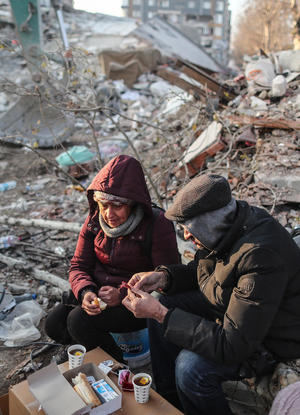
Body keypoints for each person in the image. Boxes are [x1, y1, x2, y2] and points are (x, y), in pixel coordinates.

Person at [122, 174, 300, 415]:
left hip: (272, 340)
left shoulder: (260, 254)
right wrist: (164, 277)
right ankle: (169, 404)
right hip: (236, 311)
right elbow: (206, 271)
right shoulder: (228, 228)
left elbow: (233, 346)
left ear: (210, 222)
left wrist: (162, 314)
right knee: (167, 300)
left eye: (189, 229)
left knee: (190, 368)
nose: (185, 236)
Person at [45, 155, 180, 362]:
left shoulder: (156, 223)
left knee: (78, 321)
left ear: (133, 204)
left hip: (135, 301)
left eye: (117, 205)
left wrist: (122, 293)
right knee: (53, 324)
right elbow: (79, 265)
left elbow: (167, 276)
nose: (109, 214)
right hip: (100, 292)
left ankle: (117, 364)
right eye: (103, 204)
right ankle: (87, 346)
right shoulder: (94, 220)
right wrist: (86, 291)